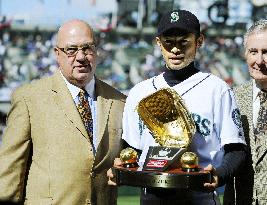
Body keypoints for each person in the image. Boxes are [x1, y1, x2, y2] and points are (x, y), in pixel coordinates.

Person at [108, 9, 247, 205]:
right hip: (150, 197)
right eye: (169, 42)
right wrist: (122, 166)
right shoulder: (140, 92)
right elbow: (132, 149)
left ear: (199, 41)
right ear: (158, 43)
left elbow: (236, 149)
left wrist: (220, 175)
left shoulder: (218, 89)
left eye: (184, 42)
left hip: (199, 196)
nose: (175, 49)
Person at [0, 19, 126, 205]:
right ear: (57, 54)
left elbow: (129, 156)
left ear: (96, 51)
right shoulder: (29, 98)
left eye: (87, 48)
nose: (81, 56)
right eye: (71, 50)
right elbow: (10, 170)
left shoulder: (119, 101)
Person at [223, 19, 267, 205]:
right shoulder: (231, 97)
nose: (259, 61)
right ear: (245, 54)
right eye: (253, 52)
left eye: (266, 52)